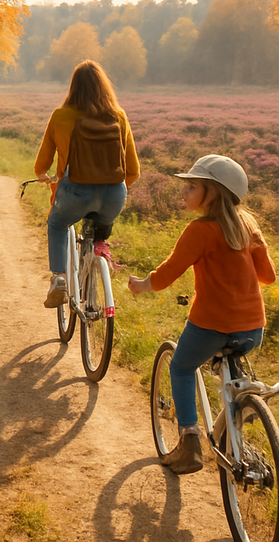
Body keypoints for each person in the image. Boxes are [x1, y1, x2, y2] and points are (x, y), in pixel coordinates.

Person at [129, 155, 275, 474]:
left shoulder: (200, 230)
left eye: (192, 186)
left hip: (211, 325)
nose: (184, 192)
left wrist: (141, 285)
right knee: (231, 367)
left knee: (181, 367)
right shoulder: (249, 224)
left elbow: (168, 274)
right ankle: (241, 412)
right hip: (254, 329)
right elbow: (268, 277)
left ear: (213, 194)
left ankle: (189, 442)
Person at [34, 60, 140, 308]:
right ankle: (99, 252)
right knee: (102, 223)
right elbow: (132, 171)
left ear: (73, 87)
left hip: (75, 193)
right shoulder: (119, 116)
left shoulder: (61, 116)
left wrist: (44, 176)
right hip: (113, 195)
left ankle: (59, 278)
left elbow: (41, 166)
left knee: (58, 224)